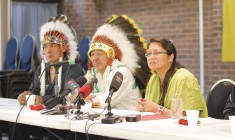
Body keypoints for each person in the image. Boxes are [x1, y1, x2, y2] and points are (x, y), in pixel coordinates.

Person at [11, 14, 84, 140]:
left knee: (53, 134)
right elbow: (34, 91)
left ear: (63, 47)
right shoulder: (42, 67)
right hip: (42, 118)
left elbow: (68, 96)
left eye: (53, 46)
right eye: (45, 46)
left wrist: (39, 99)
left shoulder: (73, 67)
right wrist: (27, 95)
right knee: (16, 123)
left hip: (63, 121)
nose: (48, 50)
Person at [84, 15, 150, 110]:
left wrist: (84, 99)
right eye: (92, 54)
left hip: (130, 122)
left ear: (110, 56)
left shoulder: (121, 73)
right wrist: (82, 97)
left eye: (99, 54)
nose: (94, 58)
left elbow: (106, 101)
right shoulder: (94, 73)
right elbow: (77, 95)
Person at [136, 37, 208, 118]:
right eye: (149, 54)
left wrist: (158, 109)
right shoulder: (153, 79)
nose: (151, 57)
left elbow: (190, 115)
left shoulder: (184, 78)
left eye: (156, 53)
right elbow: (151, 108)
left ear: (171, 57)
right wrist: (143, 107)